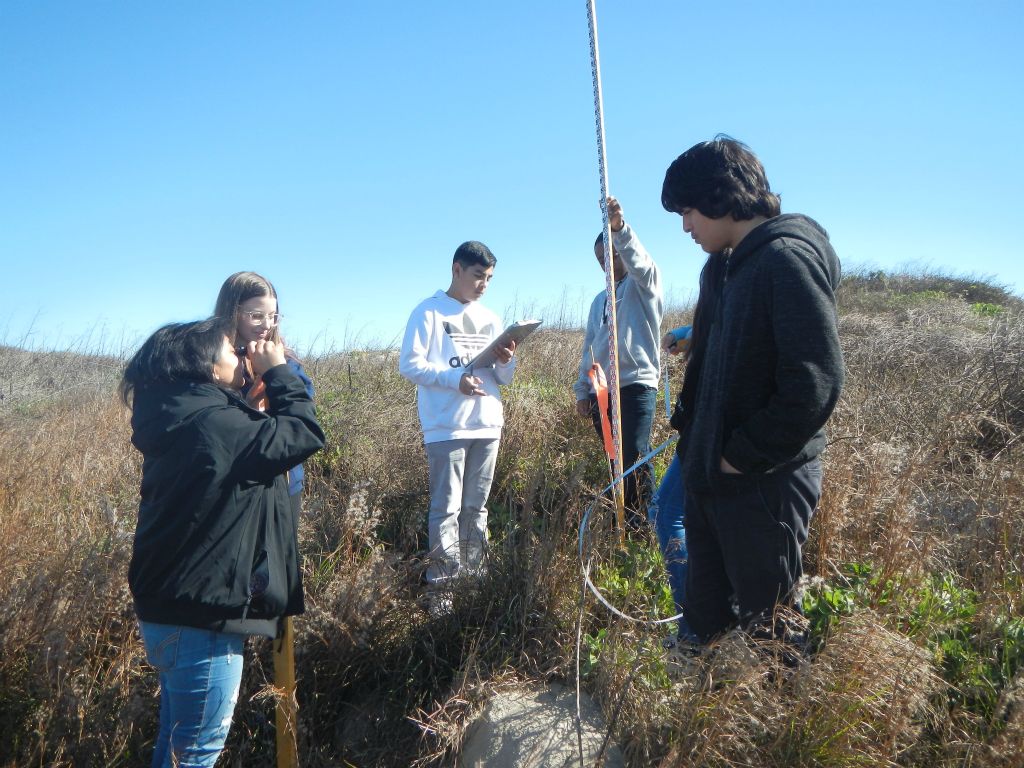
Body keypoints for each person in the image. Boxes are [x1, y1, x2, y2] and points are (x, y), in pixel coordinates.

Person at [660, 136, 844, 647]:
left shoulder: (786, 259)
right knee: (708, 620)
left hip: (763, 483)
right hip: (712, 475)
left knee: (771, 629)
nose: (686, 226)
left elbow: (815, 381)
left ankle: (777, 698)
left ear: (720, 197)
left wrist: (739, 457)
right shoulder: (726, 267)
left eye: (689, 210)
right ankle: (712, 691)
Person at [122, 318, 324, 767]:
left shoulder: (177, 415)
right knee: (196, 752)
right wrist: (278, 373)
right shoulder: (217, 425)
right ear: (209, 367)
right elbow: (302, 434)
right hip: (203, 617)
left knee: (175, 745)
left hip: (169, 607)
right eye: (231, 351)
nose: (241, 355)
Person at [399, 241, 517, 585]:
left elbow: (503, 378)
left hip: (487, 424)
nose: (484, 285)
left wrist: (507, 361)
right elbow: (410, 365)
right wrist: (455, 380)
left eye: (489, 278)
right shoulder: (428, 312)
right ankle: (443, 588)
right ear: (456, 269)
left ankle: (475, 583)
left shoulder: (490, 318)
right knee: (446, 509)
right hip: (447, 426)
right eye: (478, 276)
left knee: (476, 509)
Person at [574, 196, 664, 530]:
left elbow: (641, 263)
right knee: (614, 459)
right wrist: (582, 390)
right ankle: (621, 523)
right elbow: (590, 349)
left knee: (635, 455)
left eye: (612, 254)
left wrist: (620, 229)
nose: (607, 263)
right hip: (602, 391)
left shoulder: (644, 286)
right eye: (601, 259)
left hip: (636, 384)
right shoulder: (599, 301)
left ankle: (645, 528)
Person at [214, 271, 315, 517]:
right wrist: (247, 402)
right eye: (257, 316)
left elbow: (302, 415)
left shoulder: (285, 362)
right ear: (231, 312)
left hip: (284, 480)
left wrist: (276, 373)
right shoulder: (212, 363)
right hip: (231, 481)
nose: (267, 325)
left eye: (273, 316)